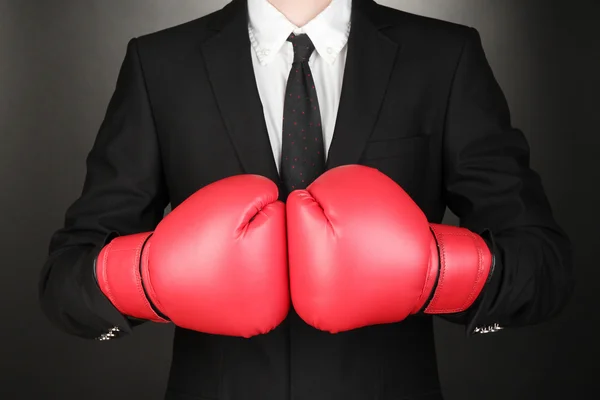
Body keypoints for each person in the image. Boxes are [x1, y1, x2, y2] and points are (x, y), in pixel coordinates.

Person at [38, 0, 574, 399]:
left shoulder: (444, 56)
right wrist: (149, 280)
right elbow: (65, 279)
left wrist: (437, 271)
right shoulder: (159, 64)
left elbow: (544, 266)